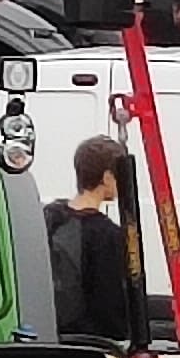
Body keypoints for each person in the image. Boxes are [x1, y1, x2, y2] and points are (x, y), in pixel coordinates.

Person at [48, 135, 139, 345]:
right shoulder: (108, 236)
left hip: (51, 336)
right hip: (91, 345)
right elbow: (110, 306)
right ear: (107, 178)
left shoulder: (49, 217)